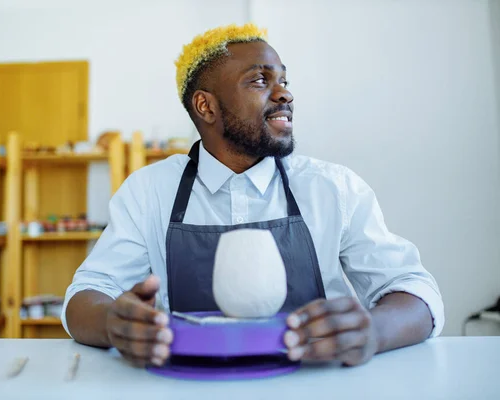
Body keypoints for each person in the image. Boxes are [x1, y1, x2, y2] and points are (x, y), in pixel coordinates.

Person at [62, 23, 444, 368]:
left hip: (318, 388)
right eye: (260, 81)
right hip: (190, 388)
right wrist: (113, 323)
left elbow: (416, 291)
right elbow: (85, 295)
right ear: (205, 106)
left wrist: (373, 331)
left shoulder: (334, 188)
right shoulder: (149, 192)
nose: (285, 94)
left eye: (284, 80)